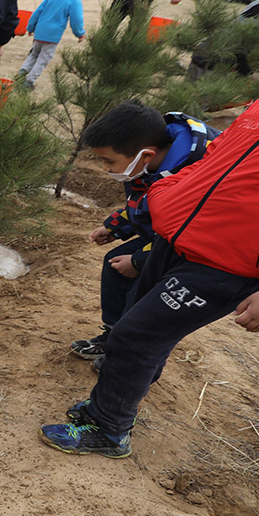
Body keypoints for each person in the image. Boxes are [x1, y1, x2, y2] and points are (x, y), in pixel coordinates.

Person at [36, 94, 259, 460]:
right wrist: (166, 194)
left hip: (227, 264)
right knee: (137, 322)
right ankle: (115, 398)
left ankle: (108, 428)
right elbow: (215, 161)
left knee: (134, 336)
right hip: (178, 239)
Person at [67, 101, 218, 363]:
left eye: (108, 161)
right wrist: (115, 226)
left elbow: (184, 234)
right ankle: (113, 334)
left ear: (145, 155)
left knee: (142, 289)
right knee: (113, 264)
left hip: (191, 250)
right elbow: (143, 203)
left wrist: (139, 261)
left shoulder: (191, 178)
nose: (105, 168)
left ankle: (126, 353)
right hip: (163, 238)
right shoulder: (152, 166)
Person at [15, 0, 85, 89]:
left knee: (33, 54)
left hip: (40, 31)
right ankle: (29, 81)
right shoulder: (74, 0)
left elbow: (36, 13)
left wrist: (30, 27)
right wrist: (80, 33)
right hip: (53, 35)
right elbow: (76, 20)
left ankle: (22, 72)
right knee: (43, 59)